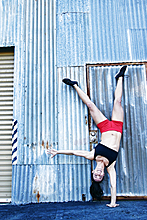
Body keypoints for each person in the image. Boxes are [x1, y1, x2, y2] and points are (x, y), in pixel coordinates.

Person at [47, 65, 127, 208]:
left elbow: (73, 152)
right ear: (103, 176)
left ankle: (75, 85)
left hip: (104, 127)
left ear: (93, 171)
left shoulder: (92, 155)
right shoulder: (111, 165)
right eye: (99, 176)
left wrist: (57, 151)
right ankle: (120, 77)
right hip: (117, 126)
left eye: (95, 175)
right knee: (117, 101)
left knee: (90, 105)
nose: (98, 174)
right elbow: (113, 185)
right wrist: (113, 203)